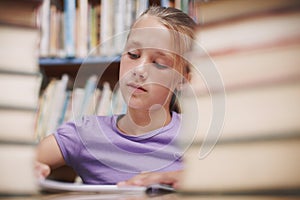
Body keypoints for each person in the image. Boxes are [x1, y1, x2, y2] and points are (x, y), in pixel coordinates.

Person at [36, 6, 195, 188]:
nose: (139, 70)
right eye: (133, 55)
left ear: (184, 79)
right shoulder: (85, 134)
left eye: (159, 63)